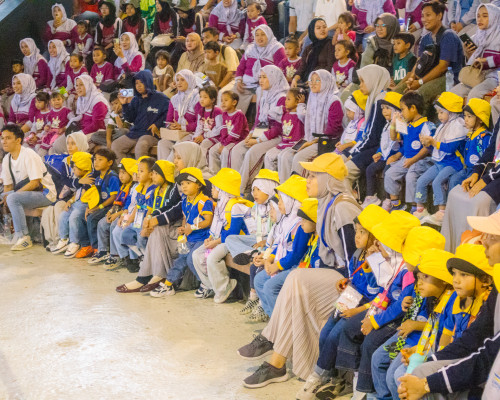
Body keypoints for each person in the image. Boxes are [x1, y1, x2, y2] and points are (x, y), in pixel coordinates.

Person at [238, 154, 360, 387]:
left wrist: (350, 299)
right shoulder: (328, 202)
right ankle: (276, 363)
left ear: (328, 179)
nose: (308, 180)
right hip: (332, 274)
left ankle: (270, 340)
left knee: (295, 278)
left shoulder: (343, 207)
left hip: (347, 281)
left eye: (313, 176)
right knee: (295, 286)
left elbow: (353, 259)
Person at [296, 204, 388, 400]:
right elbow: (354, 278)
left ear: (375, 236)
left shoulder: (379, 261)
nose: (357, 236)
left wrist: (356, 312)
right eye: (356, 231)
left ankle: (316, 377)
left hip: (364, 306)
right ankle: (333, 377)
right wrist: (346, 282)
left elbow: (379, 296)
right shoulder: (357, 254)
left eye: (363, 232)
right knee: (325, 333)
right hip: (350, 299)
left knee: (335, 335)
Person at [148, 167, 215, 297]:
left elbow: (208, 221)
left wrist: (192, 227)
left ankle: (207, 284)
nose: (184, 186)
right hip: (189, 238)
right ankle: (168, 284)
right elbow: (185, 218)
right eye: (182, 183)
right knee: (180, 260)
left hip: (203, 239)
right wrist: (183, 229)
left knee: (191, 259)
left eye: (188, 183)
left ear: (199, 185)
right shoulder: (185, 201)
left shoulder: (204, 201)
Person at [191, 168, 254, 303]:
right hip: (222, 239)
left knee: (212, 258)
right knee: (196, 255)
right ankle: (212, 286)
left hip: (235, 241)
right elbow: (216, 227)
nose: (212, 189)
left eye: (215, 187)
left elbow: (233, 234)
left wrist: (214, 242)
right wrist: (210, 238)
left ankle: (224, 287)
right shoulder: (221, 204)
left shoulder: (235, 206)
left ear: (223, 189)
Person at [252, 175, 310, 317]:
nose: (279, 204)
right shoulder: (286, 219)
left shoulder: (301, 224)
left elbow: (296, 255)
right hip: (281, 263)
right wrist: (269, 259)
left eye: (282, 200)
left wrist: (276, 266)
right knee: (259, 280)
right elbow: (280, 245)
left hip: (294, 267)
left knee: (270, 287)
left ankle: (281, 322)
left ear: (292, 201)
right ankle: (273, 319)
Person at [397, 1, 464, 118]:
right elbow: (419, 63)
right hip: (428, 76)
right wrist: (412, 79)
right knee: (396, 92)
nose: (424, 19)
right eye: (422, 16)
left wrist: (420, 82)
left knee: (418, 95)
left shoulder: (448, 35)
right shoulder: (425, 38)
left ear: (439, 16)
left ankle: (422, 127)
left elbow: (443, 67)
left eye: (428, 15)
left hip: (449, 77)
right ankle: (398, 126)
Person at [231, 65, 289, 195]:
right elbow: (258, 121)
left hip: (276, 136)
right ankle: (234, 184)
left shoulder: (281, 98)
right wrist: (251, 135)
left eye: (264, 77)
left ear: (273, 78)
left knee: (252, 152)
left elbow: (278, 128)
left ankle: (242, 190)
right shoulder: (264, 95)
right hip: (262, 132)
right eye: (260, 77)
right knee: (237, 150)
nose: (260, 80)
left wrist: (257, 141)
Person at [414, 92, 468, 225]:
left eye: (442, 112)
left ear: (451, 112)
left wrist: (432, 142)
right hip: (440, 163)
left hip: (453, 163)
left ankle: (442, 212)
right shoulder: (443, 126)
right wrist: (426, 142)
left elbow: (450, 148)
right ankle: (420, 210)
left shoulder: (458, 125)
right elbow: (435, 146)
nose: (439, 116)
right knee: (421, 180)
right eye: (438, 113)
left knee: (437, 182)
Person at [0, 124, 57, 251]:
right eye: (2, 138)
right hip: (25, 194)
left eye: (8, 138)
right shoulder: (7, 158)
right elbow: (8, 186)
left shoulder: (29, 154)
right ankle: (5, 233)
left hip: (45, 193)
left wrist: (10, 197)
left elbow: (35, 183)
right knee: (4, 197)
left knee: (12, 198)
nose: (4, 141)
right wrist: (5, 200)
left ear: (18, 140)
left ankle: (23, 237)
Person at [383, 91, 436, 213]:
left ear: (413, 108)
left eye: (403, 109)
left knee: (411, 176)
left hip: (422, 160)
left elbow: (427, 148)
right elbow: (394, 138)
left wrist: (413, 160)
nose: (401, 113)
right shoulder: (407, 125)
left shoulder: (426, 125)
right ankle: (396, 205)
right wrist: (393, 124)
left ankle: (415, 208)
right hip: (406, 159)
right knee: (390, 174)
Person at [285, 70, 343, 178]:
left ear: (326, 82)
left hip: (327, 141)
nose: (312, 83)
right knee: (286, 156)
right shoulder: (313, 97)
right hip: (312, 139)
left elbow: (333, 130)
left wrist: (312, 142)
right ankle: (286, 187)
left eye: (317, 80)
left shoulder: (334, 100)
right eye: (311, 80)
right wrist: (309, 141)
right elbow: (308, 121)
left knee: (299, 158)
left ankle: (299, 187)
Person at [342, 65, 391, 191]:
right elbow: (365, 135)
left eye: (363, 81)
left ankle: (348, 202)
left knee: (343, 173)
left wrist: (353, 153)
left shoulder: (380, 101)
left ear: (373, 80)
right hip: (369, 147)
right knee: (336, 163)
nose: (360, 85)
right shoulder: (373, 99)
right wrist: (350, 152)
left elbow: (372, 137)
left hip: (378, 149)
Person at [112, 70, 169, 161]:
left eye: (141, 82)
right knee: (116, 145)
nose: (138, 85)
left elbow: (169, 114)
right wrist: (125, 104)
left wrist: (157, 124)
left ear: (148, 81)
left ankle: (143, 170)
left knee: (141, 146)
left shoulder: (161, 98)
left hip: (152, 134)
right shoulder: (135, 99)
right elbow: (130, 119)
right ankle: (127, 168)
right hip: (136, 132)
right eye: (136, 83)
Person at [88, 157, 136, 264]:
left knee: (114, 225)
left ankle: (115, 255)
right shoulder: (122, 187)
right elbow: (116, 202)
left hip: (125, 214)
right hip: (118, 212)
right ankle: (103, 250)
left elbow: (128, 208)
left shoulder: (132, 188)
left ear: (131, 173)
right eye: (120, 173)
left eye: (124, 173)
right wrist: (110, 212)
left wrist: (117, 215)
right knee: (102, 223)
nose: (120, 176)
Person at [76, 148, 120, 258]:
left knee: (92, 218)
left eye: (100, 159)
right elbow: (95, 196)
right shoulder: (98, 178)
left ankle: (98, 249)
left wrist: (98, 207)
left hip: (110, 207)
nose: (96, 162)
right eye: (95, 159)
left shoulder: (112, 177)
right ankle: (86, 245)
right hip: (100, 205)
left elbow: (114, 197)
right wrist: (89, 207)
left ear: (110, 162)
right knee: (81, 217)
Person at [361, 91, 402, 209]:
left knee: (387, 172)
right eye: (383, 108)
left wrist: (396, 156)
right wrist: (378, 153)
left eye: (388, 108)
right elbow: (383, 143)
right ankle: (371, 196)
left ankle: (388, 199)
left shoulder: (401, 125)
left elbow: (403, 144)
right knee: (370, 169)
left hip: (395, 157)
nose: (384, 111)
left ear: (396, 111)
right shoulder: (386, 125)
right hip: (384, 156)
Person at [451, 3, 500, 100]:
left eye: (485, 16)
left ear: (495, 17)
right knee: (451, 95)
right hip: (476, 76)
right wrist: (469, 54)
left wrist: (485, 61)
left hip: (494, 77)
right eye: (478, 16)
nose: (479, 19)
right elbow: (473, 63)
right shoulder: (476, 37)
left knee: (474, 95)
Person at [233, 25, 286, 113]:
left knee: (261, 93)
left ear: (268, 35)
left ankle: (260, 119)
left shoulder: (277, 48)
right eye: (257, 35)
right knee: (232, 94)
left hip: (265, 84)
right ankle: (235, 120)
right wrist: (238, 80)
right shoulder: (250, 48)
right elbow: (240, 67)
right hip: (246, 84)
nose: (259, 38)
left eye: (263, 34)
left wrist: (266, 83)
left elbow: (279, 71)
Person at [51, 75, 110, 154]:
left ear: (88, 85)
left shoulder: (98, 101)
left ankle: (74, 161)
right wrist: (70, 128)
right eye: (77, 85)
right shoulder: (81, 99)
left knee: (75, 145)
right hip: (81, 129)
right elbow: (79, 117)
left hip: (96, 131)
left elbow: (97, 125)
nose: (78, 88)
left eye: (81, 85)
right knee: (57, 145)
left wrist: (80, 133)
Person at [116, 157, 156, 270]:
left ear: (151, 174)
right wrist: (130, 219)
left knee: (141, 239)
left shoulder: (153, 189)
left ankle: (147, 258)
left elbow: (150, 209)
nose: (138, 174)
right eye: (138, 171)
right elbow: (137, 206)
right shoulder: (140, 188)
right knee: (125, 234)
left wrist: (147, 222)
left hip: (145, 221)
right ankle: (141, 255)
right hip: (137, 220)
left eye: (141, 171)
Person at [52, 151, 94, 258]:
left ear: (83, 168)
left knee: (74, 217)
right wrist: (70, 201)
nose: (73, 171)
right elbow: (77, 193)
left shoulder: (89, 178)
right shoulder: (81, 178)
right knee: (63, 215)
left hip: (85, 204)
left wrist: (83, 185)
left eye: (75, 168)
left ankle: (75, 242)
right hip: (77, 202)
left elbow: (85, 196)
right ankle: (64, 239)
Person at [264, 87, 305, 181]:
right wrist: (281, 109)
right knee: (269, 155)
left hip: (294, 144)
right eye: (286, 98)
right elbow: (270, 113)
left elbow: (302, 115)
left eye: (288, 99)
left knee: (283, 157)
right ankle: (271, 183)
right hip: (283, 144)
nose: (285, 101)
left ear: (297, 101)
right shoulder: (285, 114)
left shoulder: (301, 115)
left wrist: (301, 104)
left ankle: (284, 184)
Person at [157, 69, 200, 160]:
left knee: (178, 145)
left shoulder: (197, 98)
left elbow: (199, 123)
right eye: (177, 80)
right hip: (177, 134)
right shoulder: (174, 99)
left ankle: (169, 167)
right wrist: (170, 126)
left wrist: (182, 127)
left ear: (189, 80)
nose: (179, 83)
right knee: (162, 143)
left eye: (182, 80)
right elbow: (168, 121)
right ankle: (163, 167)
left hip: (191, 133)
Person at [208, 91, 249, 173]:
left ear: (234, 102)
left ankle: (226, 174)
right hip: (227, 140)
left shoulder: (239, 115)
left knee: (225, 151)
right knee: (212, 150)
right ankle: (214, 174)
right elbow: (224, 130)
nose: (223, 103)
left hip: (238, 140)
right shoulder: (225, 114)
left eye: (226, 100)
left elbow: (235, 134)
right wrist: (223, 142)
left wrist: (224, 144)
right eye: (221, 100)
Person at [291, 19, 335, 87]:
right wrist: (295, 79)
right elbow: (302, 67)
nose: (322, 29)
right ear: (312, 31)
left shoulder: (331, 44)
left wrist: (313, 79)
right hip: (307, 81)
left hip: (322, 81)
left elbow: (330, 67)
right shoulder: (309, 48)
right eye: (318, 28)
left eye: (324, 27)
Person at [194, 86, 223, 158]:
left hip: (216, 137)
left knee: (205, 144)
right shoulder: (201, 111)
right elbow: (199, 127)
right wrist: (196, 137)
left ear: (213, 99)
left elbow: (218, 129)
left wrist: (204, 136)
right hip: (204, 136)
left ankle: (202, 164)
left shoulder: (217, 111)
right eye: (200, 97)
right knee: (193, 144)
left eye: (205, 97)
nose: (201, 99)